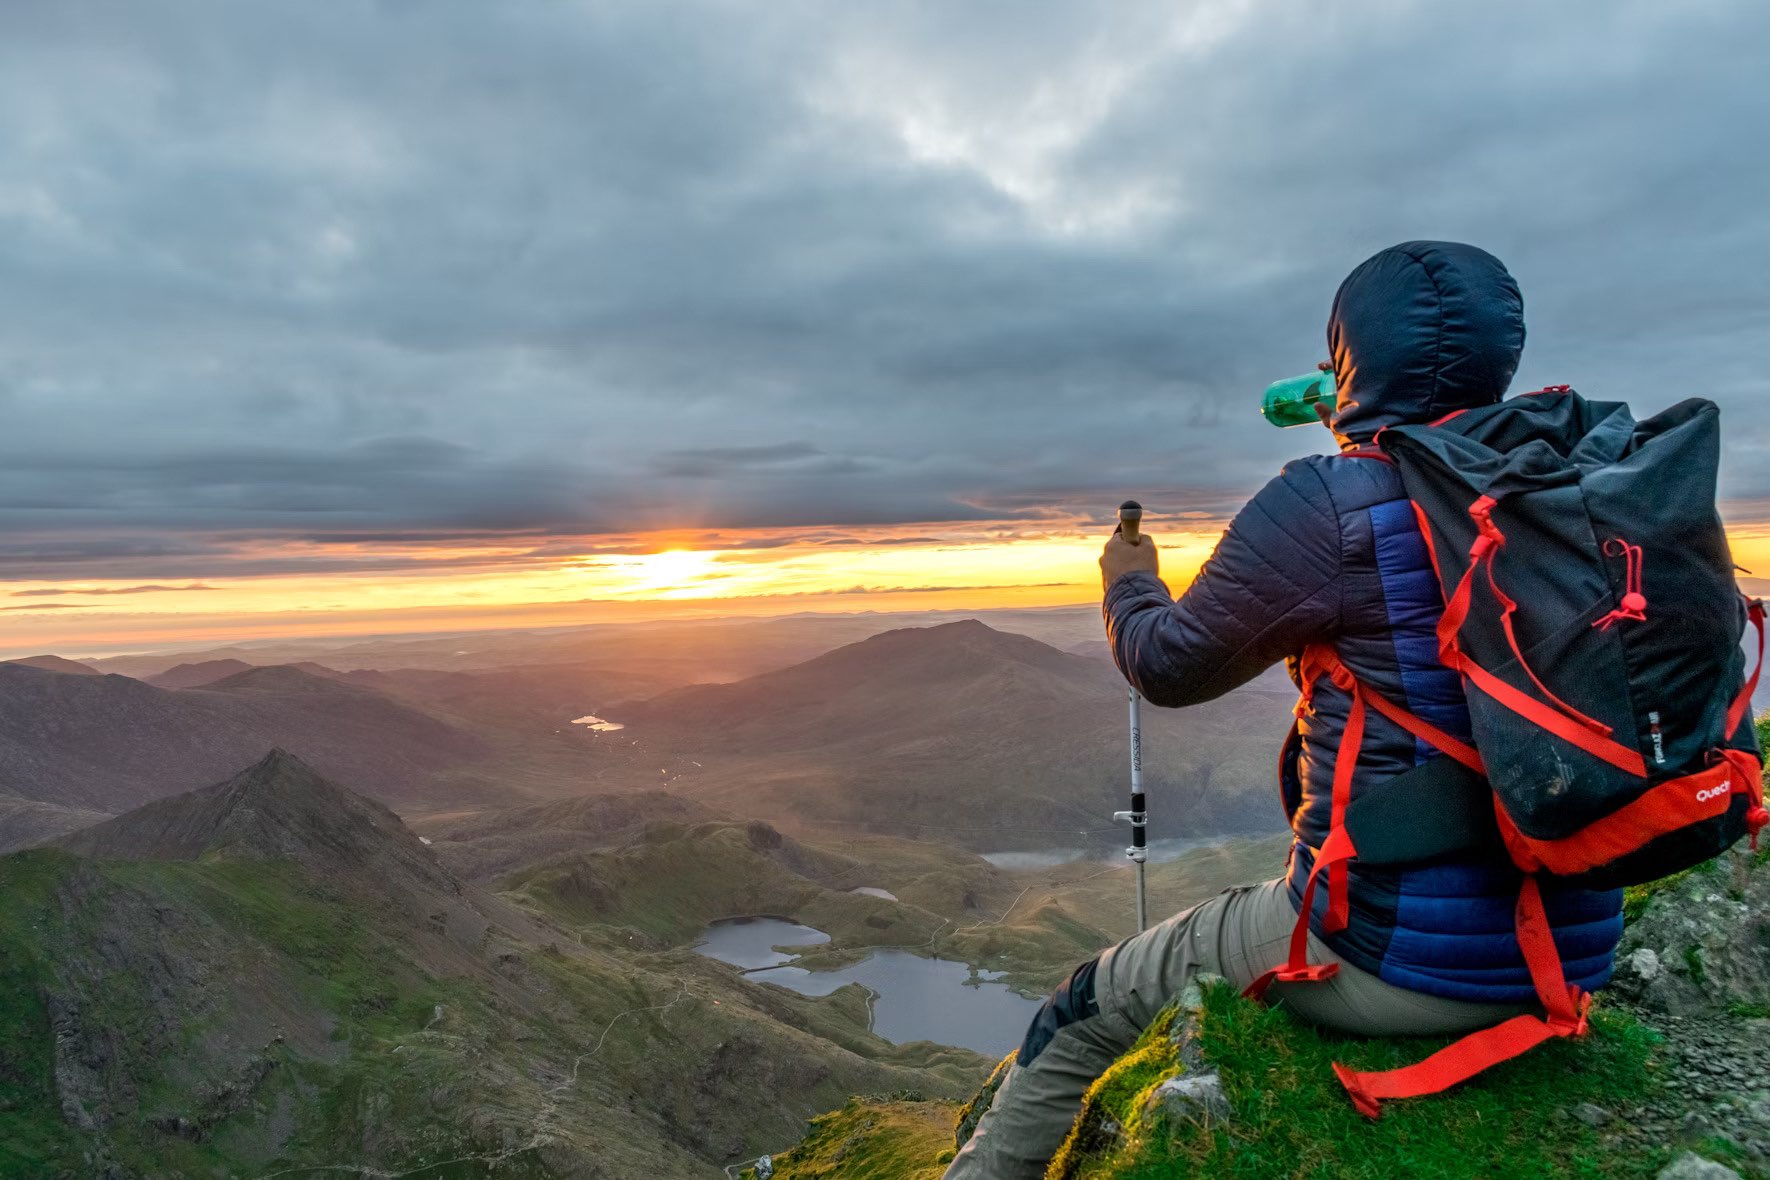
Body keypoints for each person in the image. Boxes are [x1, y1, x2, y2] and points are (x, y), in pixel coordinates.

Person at [942, 241, 1625, 1179]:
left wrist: (1129, 583)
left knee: (1085, 1001)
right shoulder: (1581, 487)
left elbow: (1168, 666)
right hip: (1580, 942)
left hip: (1393, 958)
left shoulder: (1332, 500)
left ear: (1351, 358)